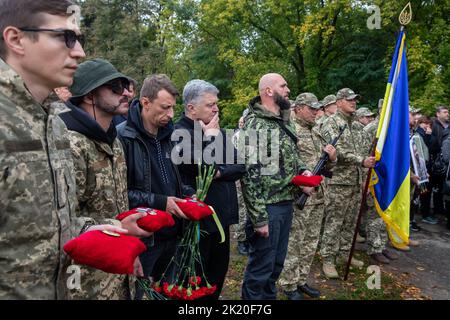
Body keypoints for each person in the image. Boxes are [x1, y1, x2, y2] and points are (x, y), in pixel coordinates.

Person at [0, 0, 88, 299]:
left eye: (79, 39)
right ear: (16, 39)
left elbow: (54, 225)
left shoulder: (55, 123)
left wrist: (108, 228)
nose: (79, 52)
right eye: (65, 37)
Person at [59, 59, 151, 299]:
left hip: (119, 271)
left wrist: (132, 252)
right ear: (90, 96)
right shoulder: (71, 144)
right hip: (88, 280)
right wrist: (119, 227)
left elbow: (119, 204)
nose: (126, 92)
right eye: (115, 87)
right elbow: (63, 221)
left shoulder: (114, 141)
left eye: (126, 85)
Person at [117, 74, 193, 299]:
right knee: (141, 294)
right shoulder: (123, 137)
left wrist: (187, 195)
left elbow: (171, 179)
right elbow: (120, 194)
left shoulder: (169, 136)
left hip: (174, 235)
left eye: (172, 108)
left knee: (169, 293)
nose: (170, 115)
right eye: (165, 108)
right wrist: (161, 202)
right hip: (144, 240)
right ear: (145, 103)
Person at [239, 73, 309, 300]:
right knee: (261, 269)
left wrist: (304, 170)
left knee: (276, 266)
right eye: (283, 85)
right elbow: (250, 176)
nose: (288, 90)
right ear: (269, 91)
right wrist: (259, 218)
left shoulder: (282, 121)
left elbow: (291, 156)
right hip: (267, 207)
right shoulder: (255, 124)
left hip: (285, 203)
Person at [174, 79, 246, 299]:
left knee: (217, 276)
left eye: (216, 104)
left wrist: (220, 172)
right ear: (191, 108)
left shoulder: (217, 131)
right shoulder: (178, 132)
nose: (216, 109)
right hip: (197, 224)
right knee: (195, 281)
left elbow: (240, 166)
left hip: (221, 220)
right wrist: (209, 140)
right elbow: (197, 166)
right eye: (210, 105)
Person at [278, 93, 336, 300]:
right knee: (295, 242)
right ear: (298, 108)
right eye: (311, 108)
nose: (315, 112)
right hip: (299, 196)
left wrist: (332, 158)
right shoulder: (288, 131)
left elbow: (326, 166)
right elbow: (282, 164)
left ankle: (302, 280)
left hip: (318, 196)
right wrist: (302, 185)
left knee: (311, 242)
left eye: (317, 108)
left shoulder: (317, 132)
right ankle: (289, 284)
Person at [319, 88, 376, 279]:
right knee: (334, 222)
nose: (354, 103)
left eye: (355, 100)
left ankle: (345, 254)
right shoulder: (331, 123)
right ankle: (328, 259)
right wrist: (360, 160)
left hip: (355, 181)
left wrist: (364, 169)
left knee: (351, 222)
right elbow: (336, 151)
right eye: (350, 100)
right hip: (338, 182)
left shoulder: (356, 126)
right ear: (339, 102)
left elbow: (363, 150)